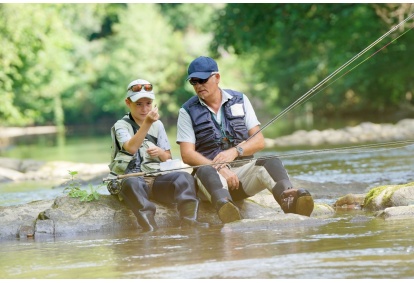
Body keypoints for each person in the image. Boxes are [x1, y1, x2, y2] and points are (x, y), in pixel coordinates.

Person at [176, 56, 314, 224]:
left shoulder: (240, 100)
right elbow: (187, 154)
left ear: (217, 77)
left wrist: (236, 151)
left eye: (202, 80)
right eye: (194, 82)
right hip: (210, 181)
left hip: (242, 176)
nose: (198, 85)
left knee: (270, 161)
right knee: (205, 170)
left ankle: (290, 201)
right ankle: (227, 209)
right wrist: (219, 167)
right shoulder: (186, 111)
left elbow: (259, 141)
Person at [109, 78, 208, 232]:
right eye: (139, 104)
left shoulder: (158, 124)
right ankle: (150, 228)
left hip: (155, 181)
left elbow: (167, 157)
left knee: (184, 177)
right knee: (132, 184)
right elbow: (130, 148)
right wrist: (147, 123)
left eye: (148, 104)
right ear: (128, 103)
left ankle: (189, 221)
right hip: (130, 181)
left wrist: (160, 152)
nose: (144, 109)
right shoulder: (120, 126)